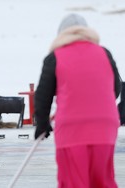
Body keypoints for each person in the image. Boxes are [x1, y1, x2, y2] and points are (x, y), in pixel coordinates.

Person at [34, 14, 121, 187]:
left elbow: (43, 95)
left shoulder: (55, 57)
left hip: (72, 129)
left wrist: (42, 123)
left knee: (74, 181)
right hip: (105, 128)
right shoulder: (104, 53)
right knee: (103, 180)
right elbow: (116, 89)